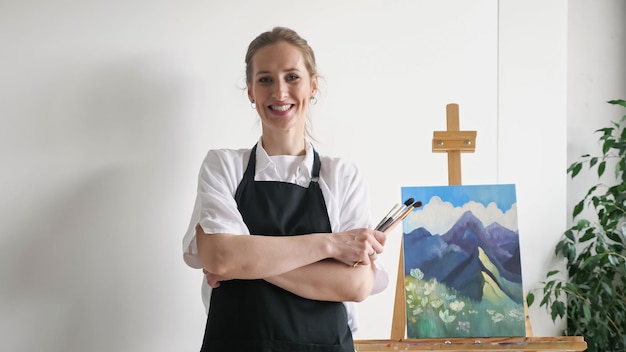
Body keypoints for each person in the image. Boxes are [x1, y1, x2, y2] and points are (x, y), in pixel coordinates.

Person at [182, 26, 389, 352]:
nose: (279, 92)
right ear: (250, 90)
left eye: (292, 77)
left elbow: (358, 284)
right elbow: (221, 256)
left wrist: (245, 262)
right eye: (265, 79)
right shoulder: (224, 166)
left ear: (313, 84)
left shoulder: (342, 176)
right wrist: (332, 246)